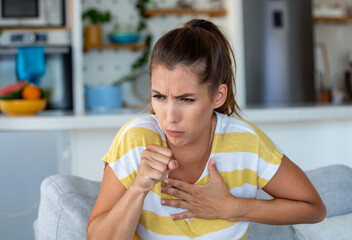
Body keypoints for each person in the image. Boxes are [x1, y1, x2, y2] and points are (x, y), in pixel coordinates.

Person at [87, 19, 326, 240]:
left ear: (218, 96)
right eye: (159, 97)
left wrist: (232, 208)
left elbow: (314, 209)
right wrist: (138, 188)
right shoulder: (136, 139)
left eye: (187, 100)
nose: (170, 118)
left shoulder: (246, 142)